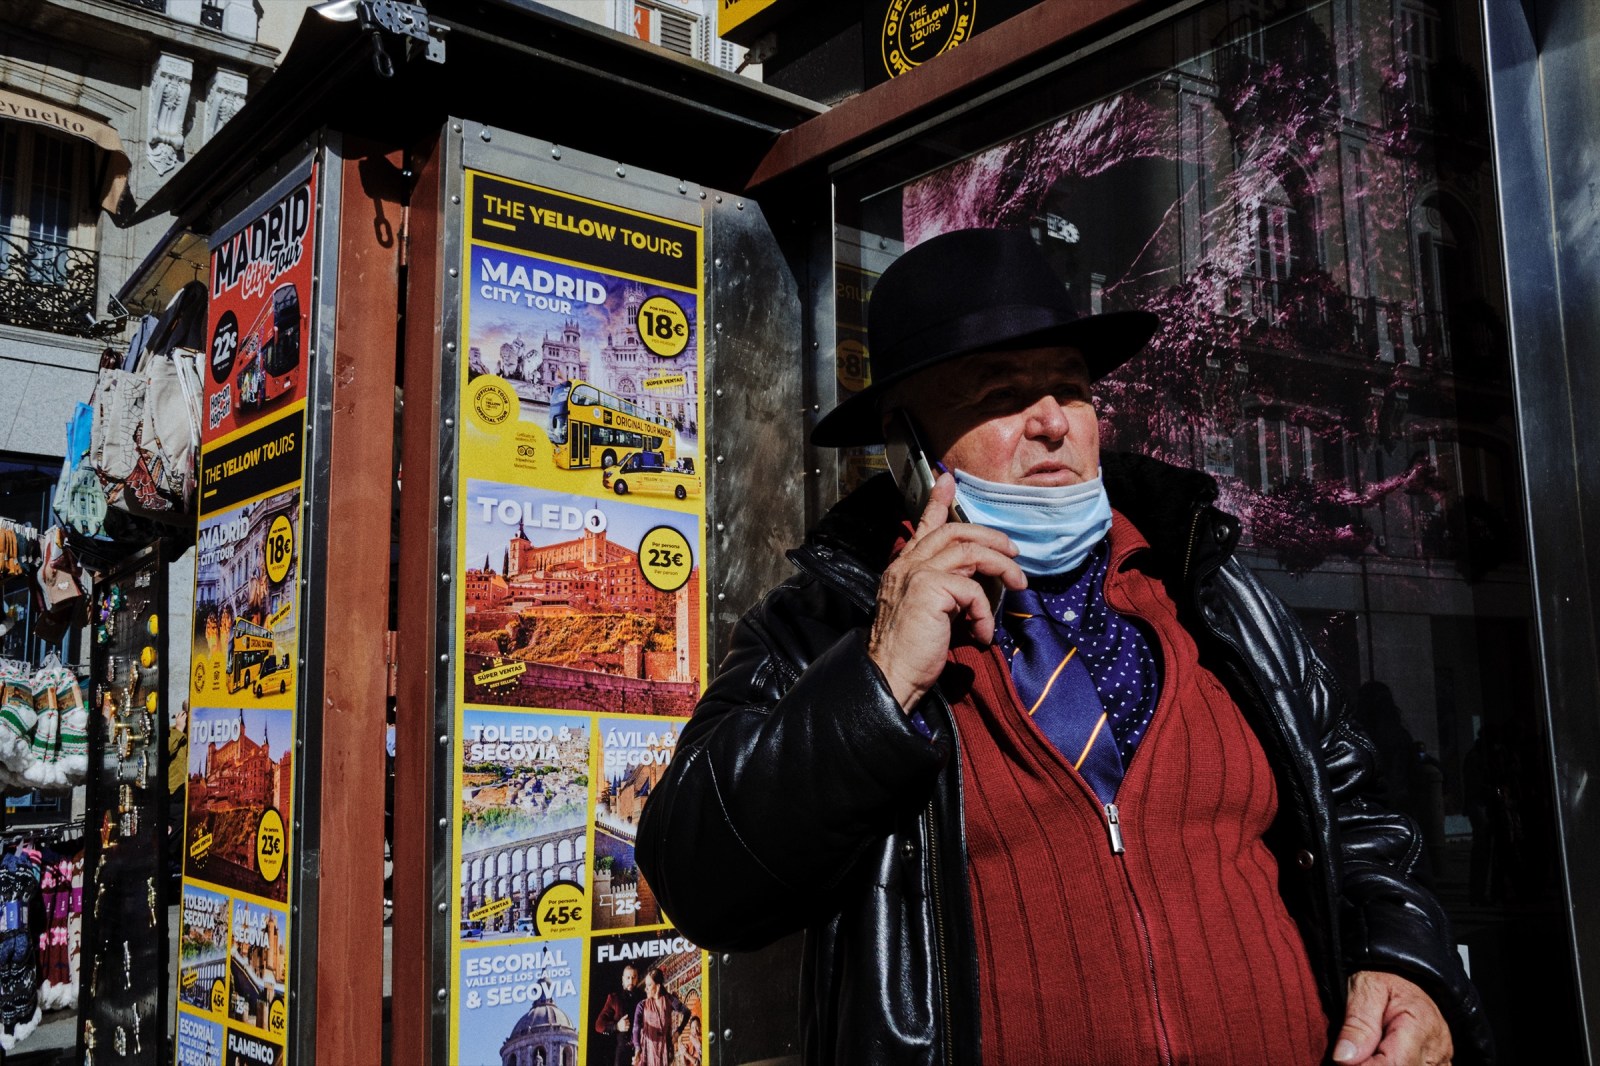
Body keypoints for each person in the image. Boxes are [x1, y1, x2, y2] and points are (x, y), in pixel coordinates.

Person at [636, 228, 1494, 1065]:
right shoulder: (823, 624)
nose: (1051, 420)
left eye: (1071, 387)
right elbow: (698, 879)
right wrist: (878, 678)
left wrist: (1405, 965)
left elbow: (1356, 816)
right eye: (999, 392)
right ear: (908, 445)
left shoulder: (1211, 590)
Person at [630, 967, 688, 1066]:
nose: (645, 989)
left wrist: (679, 1031)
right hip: (647, 1053)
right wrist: (637, 1049)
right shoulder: (642, 1005)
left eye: (649, 985)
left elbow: (687, 1012)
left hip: (664, 1052)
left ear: (657, 987)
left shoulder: (669, 1000)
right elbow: (636, 1028)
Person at [593, 962, 644, 1066]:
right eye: (628, 978)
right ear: (622, 979)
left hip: (643, 1049)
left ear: (637, 978)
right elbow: (598, 1025)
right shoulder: (614, 999)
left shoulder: (644, 998)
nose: (631, 981)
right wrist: (616, 1026)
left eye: (634, 977)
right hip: (623, 1053)